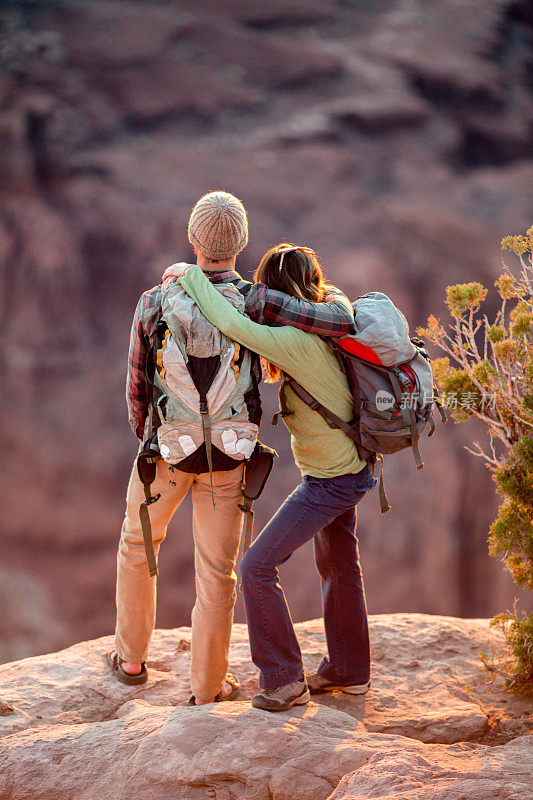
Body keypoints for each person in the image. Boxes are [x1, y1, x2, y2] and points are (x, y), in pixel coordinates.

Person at [107, 192, 356, 706]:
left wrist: (151, 440)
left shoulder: (156, 300)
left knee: (138, 544)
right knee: (216, 573)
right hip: (229, 456)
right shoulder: (257, 301)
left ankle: (131, 661)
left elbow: (136, 385)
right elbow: (334, 323)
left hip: (166, 454)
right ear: (241, 243)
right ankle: (206, 689)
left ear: (193, 239)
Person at [175, 244, 378, 712]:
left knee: (255, 567)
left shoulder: (294, 341)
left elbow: (232, 326)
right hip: (353, 465)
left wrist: (192, 276)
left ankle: (284, 679)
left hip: (331, 479)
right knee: (340, 565)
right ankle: (351, 671)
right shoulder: (332, 311)